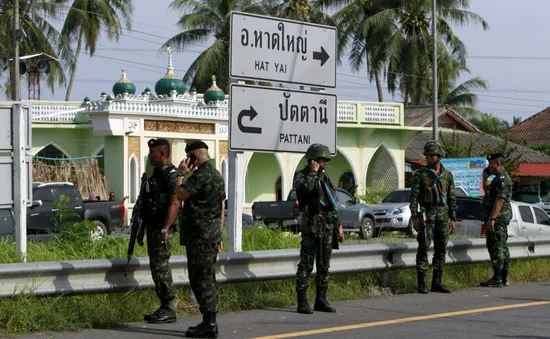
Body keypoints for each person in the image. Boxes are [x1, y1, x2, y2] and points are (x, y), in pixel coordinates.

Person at [176, 141, 225, 339]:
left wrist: (181, 173)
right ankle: (209, 321)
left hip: (199, 237)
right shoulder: (216, 174)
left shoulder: (200, 176)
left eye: (189, 157)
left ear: (193, 156)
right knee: (208, 278)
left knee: (200, 279)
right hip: (210, 235)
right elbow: (221, 207)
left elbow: (179, 194)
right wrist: (218, 233)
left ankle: (209, 323)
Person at [293, 143, 345, 315]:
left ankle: (321, 300)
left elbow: (332, 202)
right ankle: (302, 302)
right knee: (306, 264)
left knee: (324, 264)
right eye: (323, 159)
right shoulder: (302, 176)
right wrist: (313, 173)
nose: (326, 163)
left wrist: (338, 225)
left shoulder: (325, 177)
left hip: (327, 225)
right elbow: (304, 190)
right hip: (311, 225)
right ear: (314, 159)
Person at [137, 138, 182, 324]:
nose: (149, 156)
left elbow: (175, 203)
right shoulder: (154, 175)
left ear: (162, 153)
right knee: (156, 267)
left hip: (164, 228)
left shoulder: (172, 176)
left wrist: (165, 229)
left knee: (161, 266)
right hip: (153, 226)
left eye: (152, 152)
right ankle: (164, 305)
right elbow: (146, 203)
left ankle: (169, 306)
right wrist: (141, 229)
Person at [409, 140, 457, 294]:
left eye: (431, 155)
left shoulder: (447, 176)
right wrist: (415, 217)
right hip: (426, 213)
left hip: (442, 214)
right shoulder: (420, 175)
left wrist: (453, 218)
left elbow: (452, 198)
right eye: (427, 156)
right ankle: (422, 283)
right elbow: (414, 198)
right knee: (423, 246)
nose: (428, 158)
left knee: (441, 247)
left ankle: (437, 282)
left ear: (439, 156)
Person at [480, 153, 513, 288]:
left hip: (497, 219)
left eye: (491, 164)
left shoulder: (502, 179)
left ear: (498, 164)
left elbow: (499, 200)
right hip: (499, 219)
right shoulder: (498, 179)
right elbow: (488, 193)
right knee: (502, 247)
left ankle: (498, 278)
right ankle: (503, 278)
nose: (489, 167)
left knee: (496, 247)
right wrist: (484, 178)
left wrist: (492, 219)